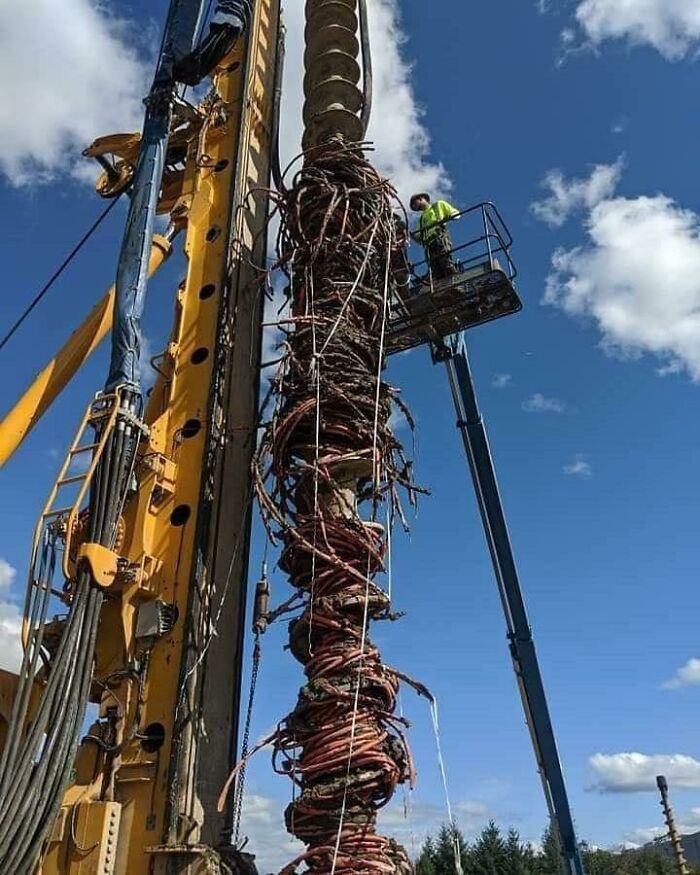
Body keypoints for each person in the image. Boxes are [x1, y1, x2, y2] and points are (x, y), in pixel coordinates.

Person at [410, 193, 460, 282]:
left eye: (415, 203)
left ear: (421, 198)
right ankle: (444, 288)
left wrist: (448, 217)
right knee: (436, 270)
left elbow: (456, 214)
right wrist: (411, 235)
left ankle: (457, 283)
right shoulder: (421, 220)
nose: (415, 207)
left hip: (440, 240)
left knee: (446, 263)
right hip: (429, 246)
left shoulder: (438, 205)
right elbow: (418, 237)